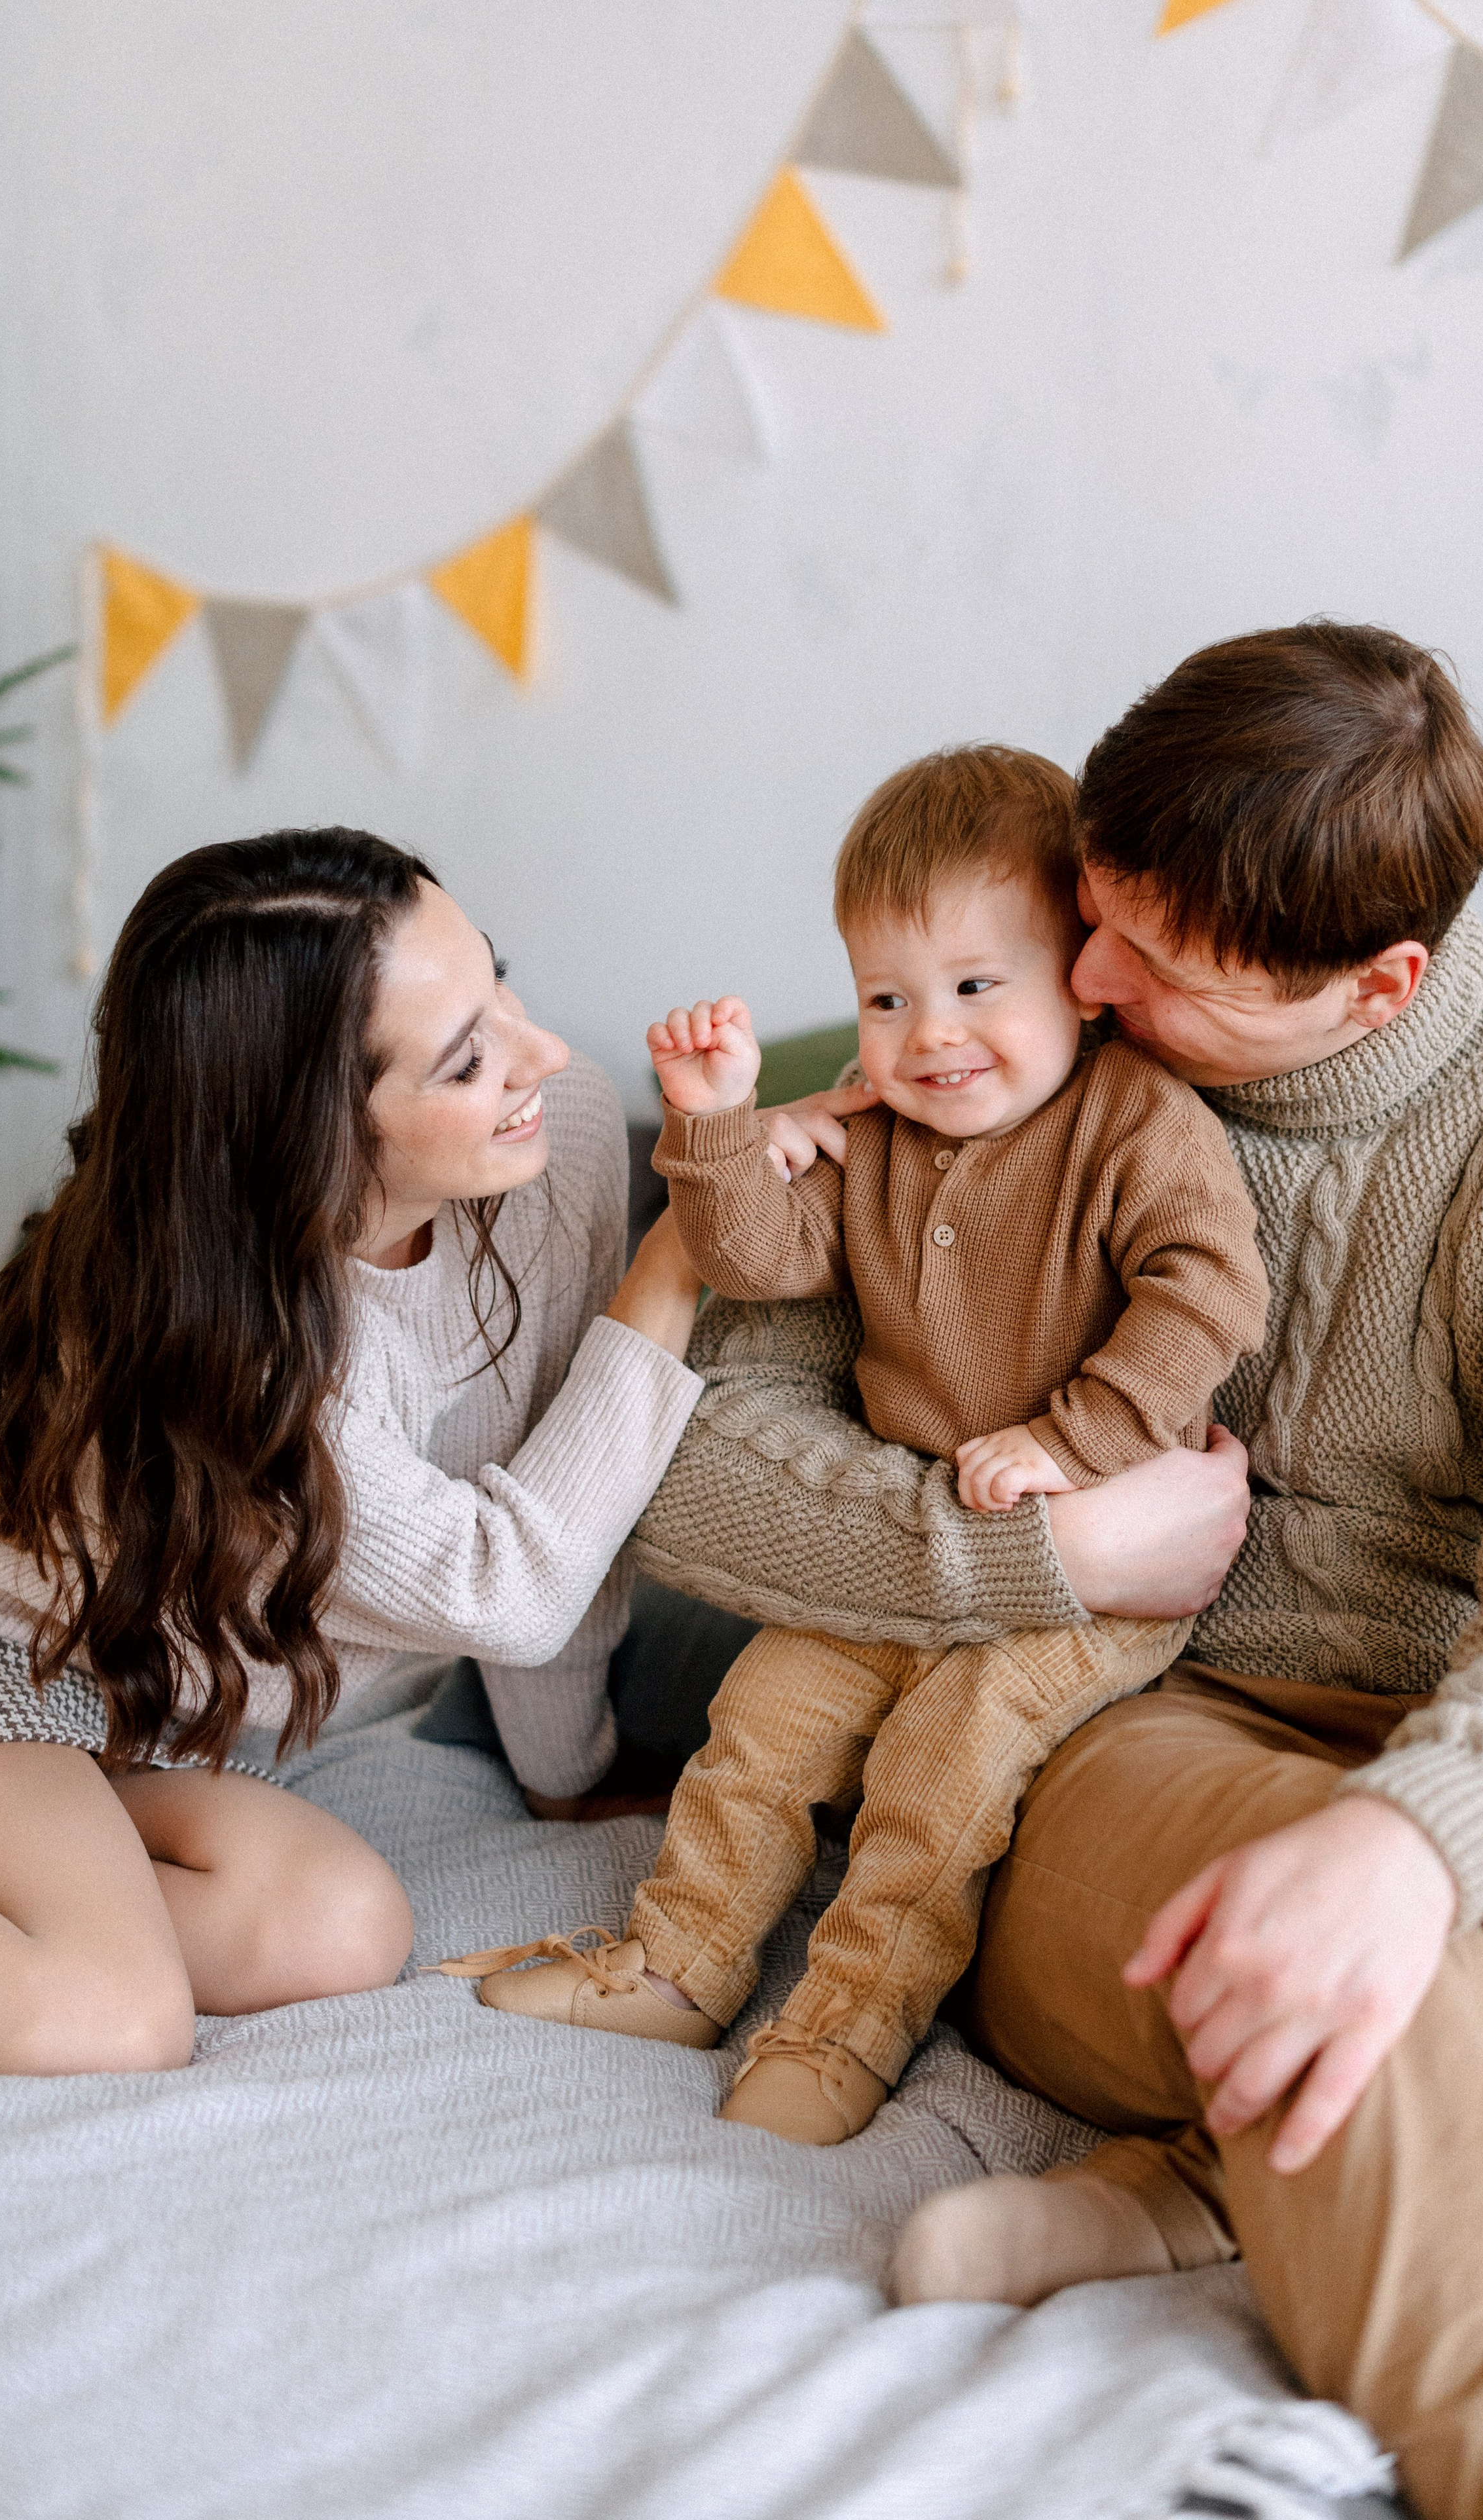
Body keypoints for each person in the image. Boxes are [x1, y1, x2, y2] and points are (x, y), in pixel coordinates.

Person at [633, 625, 1483, 2519]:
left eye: (1154, 968)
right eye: (1087, 918)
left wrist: (1413, 1836)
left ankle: (1183, 2194)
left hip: (1444, 1740)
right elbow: (686, 1482)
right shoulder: (945, 1059)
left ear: (1379, 985)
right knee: (1329, 1949)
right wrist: (1046, 1555)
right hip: (1130, 1729)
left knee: (1398, 1913)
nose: (1076, 980)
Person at [456, 748, 1266, 2151]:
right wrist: (715, 1122)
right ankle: (680, 1961)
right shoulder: (876, 1128)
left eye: (972, 987)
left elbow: (1206, 1293)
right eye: (884, 998)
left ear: (1079, 972)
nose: (928, 1035)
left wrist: (1074, 1444)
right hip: (906, 1563)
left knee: (943, 1769)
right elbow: (760, 1264)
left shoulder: (1136, 1123)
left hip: (1096, 1570)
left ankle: (847, 2023)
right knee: (758, 1721)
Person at [0, 828, 708, 2076]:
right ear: (314, 1141)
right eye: (470, 1059)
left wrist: (564, 1774)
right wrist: (684, 1252)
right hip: (7, 1665)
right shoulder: (251, 1366)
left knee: (339, 1926)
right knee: (116, 2015)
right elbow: (511, 1585)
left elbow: (551, 1467)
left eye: (500, 984)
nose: (545, 1054)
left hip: (129, 1719)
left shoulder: (560, 1132)